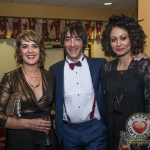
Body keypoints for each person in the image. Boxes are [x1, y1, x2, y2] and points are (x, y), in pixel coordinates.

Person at [49, 23, 108, 150]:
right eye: (68, 39)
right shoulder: (54, 70)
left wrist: (136, 56)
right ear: (63, 43)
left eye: (77, 39)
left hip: (95, 130)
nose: (72, 44)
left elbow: (120, 68)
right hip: (68, 133)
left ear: (83, 42)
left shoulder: (100, 65)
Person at [0, 30, 59, 150]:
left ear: (40, 50)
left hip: (47, 139)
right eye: (25, 46)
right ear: (19, 51)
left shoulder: (50, 76)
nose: (30, 51)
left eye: (35, 46)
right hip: (20, 139)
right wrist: (30, 123)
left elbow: (54, 107)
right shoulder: (10, 78)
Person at [101, 14, 150, 150]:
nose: (118, 44)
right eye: (113, 39)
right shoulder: (106, 69)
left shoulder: (144, 67)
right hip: (112, 128)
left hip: (136, 129)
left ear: (132, 38)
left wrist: (136, 142)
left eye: (123, 38)